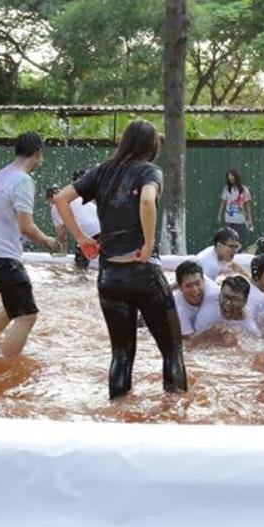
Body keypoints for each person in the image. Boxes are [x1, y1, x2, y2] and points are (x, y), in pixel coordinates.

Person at [54, 120, 187, 399]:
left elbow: (61, 199)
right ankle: (177, 417)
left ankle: (117, 414)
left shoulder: (103, 171)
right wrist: (149, 244)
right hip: (143, 273)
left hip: (109, 277)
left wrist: (81, 238)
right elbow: (147, 201)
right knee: (172, 350)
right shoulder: (150, 171)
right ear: (151, 147)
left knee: (121, 355)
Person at [0, 133, 60, 359]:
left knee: (13, 303)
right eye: (41, 157)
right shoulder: (23, 179)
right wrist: (48, 241)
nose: (40, 161)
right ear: (37, 154)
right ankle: (7, 365)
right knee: (27, 315)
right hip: (1, 257)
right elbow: (26, 226)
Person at [48, 176, 101, 269]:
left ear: (50, 198)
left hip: (88, 235)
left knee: (80, 267)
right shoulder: (76, 197)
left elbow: (62, 233)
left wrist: (58, 251)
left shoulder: (56, 205)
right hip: (104, 229)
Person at [217, 168, 254, 245]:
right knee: (228, 239)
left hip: (240, 219)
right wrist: (219, 215)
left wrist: (250, 219)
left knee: (239, 240)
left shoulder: (244, 189)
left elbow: (247, 205)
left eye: (232, 176)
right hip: (229, 218)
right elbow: (223, 203)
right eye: (229, 177)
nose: (230, 179)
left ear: (236, 177)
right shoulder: (226, 189)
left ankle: (239, 254)